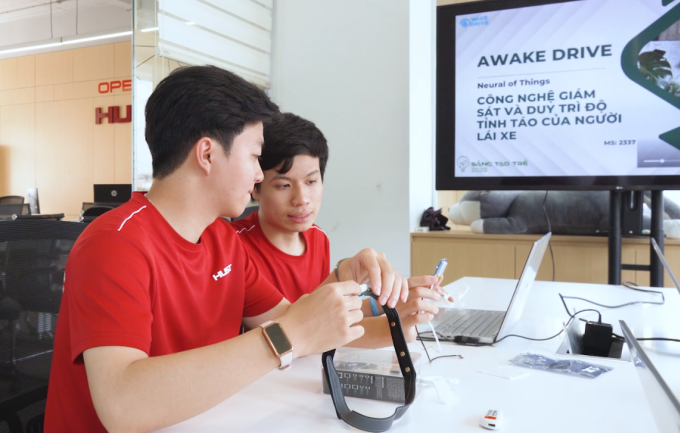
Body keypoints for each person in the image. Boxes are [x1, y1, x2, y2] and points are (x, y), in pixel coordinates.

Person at [44, 66, 406, 433]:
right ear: (207, 154)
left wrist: (389, 313)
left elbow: (298, 323)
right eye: (254, 156)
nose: (260, 175)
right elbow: (122, 405)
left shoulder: (223, 240)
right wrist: (287, 336)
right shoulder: (114, 244)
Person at [230, 112, 451, 347]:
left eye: (311, 182)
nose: (301, 199)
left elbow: (324, 314)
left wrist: (394, 300)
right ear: (255, 186)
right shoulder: (234, 247)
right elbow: (294, 330)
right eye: (284, 185)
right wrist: (393, 326)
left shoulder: (317, 236)